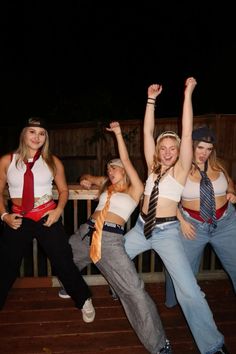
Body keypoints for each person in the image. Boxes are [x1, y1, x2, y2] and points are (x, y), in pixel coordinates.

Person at [124, 78, 230, 354]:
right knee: (106, 254)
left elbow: (186, 127)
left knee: (189, 291)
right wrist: (150, 100)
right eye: (164, 148)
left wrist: (188, 94)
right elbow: (147, 132)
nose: (169, 152)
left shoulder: (181, 169)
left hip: (167, 232)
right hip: (139, 228)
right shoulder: (152, 167)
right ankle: (111, 285)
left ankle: (213, 345)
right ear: (158, 152)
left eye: (174, 147)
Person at [59, 121, 173, 354]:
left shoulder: (135, 188)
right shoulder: (107, 186)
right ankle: (67, 284)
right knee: (62, 255)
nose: (111, 172)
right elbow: (89, 175)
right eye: (109, 168)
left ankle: (159, 344)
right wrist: (85, 178)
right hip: (87, 231)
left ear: (126, 171)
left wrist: (119, 135)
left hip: (110, 239)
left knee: (133, 289)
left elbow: (128, 161)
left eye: (116, 168)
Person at [0, 117, 95, 323]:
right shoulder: (7, 160)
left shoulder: (52, 161)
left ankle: (84, 299)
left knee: (63, 261)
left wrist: (58, 210)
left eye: (41, 133)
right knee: (6, 264)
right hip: (18, 217)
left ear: (46, 138)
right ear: (24, 134)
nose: (37, 137)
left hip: (46, 215)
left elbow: (63, 190)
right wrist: (4, 216)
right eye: (32, 132)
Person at [165, 125, 236, 309]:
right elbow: (168, 200)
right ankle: (174, 302)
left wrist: (231, 191)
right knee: (181, 268)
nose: (204, 153)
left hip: (226, 223)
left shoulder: (218, 164)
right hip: (192, 225)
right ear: (192, 146)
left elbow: (229, 181)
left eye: (209, 149)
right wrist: (181, 222)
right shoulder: (179, 168)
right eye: (200, 147)